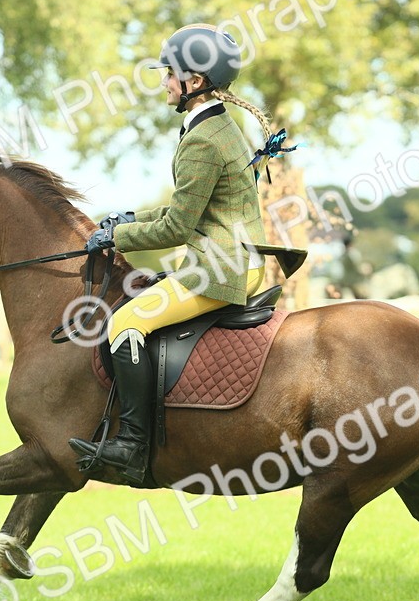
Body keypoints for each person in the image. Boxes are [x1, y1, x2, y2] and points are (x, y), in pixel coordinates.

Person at [68, 24, 291, 485]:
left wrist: (117, 238)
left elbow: (177, 227)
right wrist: (126, 219)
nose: (165, 82)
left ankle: (130, 444)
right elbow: (186, 206)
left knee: (125, 323)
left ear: (195, 82)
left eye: (171, 74)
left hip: (219, 271)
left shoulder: (203, 141)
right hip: (237, 259)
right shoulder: (218, 127)